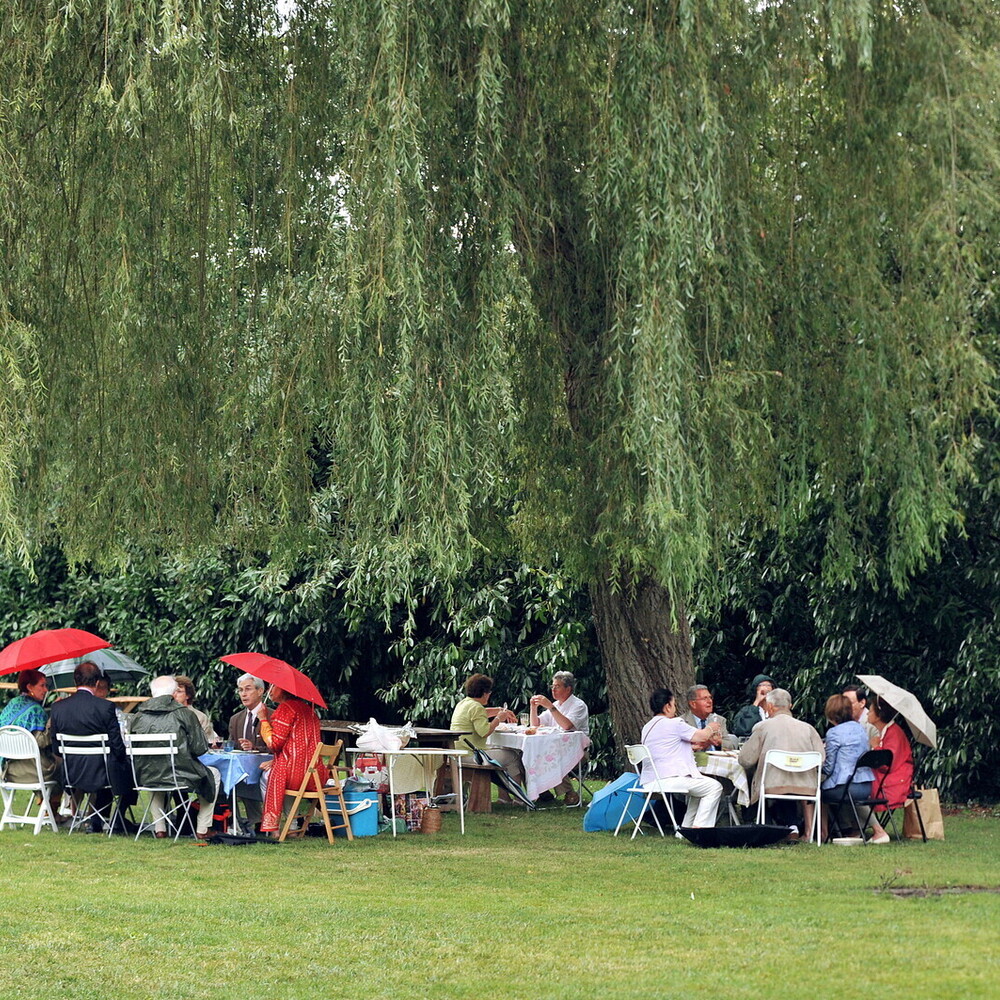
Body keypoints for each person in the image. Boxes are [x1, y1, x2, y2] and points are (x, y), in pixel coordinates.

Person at [130, 675, 221, 839]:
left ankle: (160, 828)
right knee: (214, 774)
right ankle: (202, 828)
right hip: (180, 774)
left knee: (155, 774)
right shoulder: (185, 714)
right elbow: (200, 748)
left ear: (153, 693)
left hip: (145, 775)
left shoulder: (137, 716)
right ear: (173, 694)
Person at [49, 659, 133, 832]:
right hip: (102, 774)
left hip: (71, 774)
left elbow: (56, 748)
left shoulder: (58, 708)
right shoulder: (105, 706)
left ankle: (97, 818)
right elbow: (117, 745)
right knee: (128, 767)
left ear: (75, 681)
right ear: (96, 683)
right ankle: (115, 818)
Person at [738, 688, 824, 837]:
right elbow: (820, 758)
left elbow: (745, 760)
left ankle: (762, 825)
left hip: (771, 785)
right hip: (806, 786)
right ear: (790, 705)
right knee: (786, 783)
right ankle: (793, 827)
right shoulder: (808, 728)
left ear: (770, 706)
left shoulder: (762, 727)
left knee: (757, 778)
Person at [638, 687, 722, 828]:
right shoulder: (674, 723)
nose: (675, 709)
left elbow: (665, 747)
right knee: (715, 787)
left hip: (651, 780)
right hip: (669, 778)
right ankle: (700, 828)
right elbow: (701, 736)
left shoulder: (647, 727)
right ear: (667, 706)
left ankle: (685, 829)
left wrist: (693, 747)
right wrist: (711, 727)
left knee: (699, 790)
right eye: (674, 704)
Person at [257, 684, 326, 835]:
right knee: (281, 777)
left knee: (267, 777)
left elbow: (275, 744)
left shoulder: (285, 709)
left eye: (272, 687)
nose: (269, 691)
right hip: (314, 774)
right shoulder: (309, 710)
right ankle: (292, 826)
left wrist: (263, 720)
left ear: (283, 689)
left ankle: (274, 828)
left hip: (296, 774)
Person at [450, 673, 521, 798]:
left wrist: (500, 710)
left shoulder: (463, 703)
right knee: (514, 756)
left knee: (502, 753)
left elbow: (481, 713)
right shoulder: (476, 707)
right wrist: (498, 718)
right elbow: (484, 732)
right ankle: (517, 798)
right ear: (484, 693)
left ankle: (504, 798)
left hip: (458, 753)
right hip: (472, 755)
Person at [529, 670, 589, 804]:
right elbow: (535, 725)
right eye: (552, 686)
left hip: (578, 751)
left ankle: (569, 793)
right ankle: (543, 793)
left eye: (557, 686)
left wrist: (550, 707)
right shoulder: (556, 706)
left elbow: (567, 725)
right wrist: (533, 707)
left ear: (568, 689)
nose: (553, 689)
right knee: (529, 754)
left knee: (550, 756)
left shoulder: (578, 705)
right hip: (554, 748)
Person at [820, 694, 874, 840]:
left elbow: (829, 768)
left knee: (818, 792)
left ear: (831, 713)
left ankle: (823, 834)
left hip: (847, 788)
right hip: (866, 786)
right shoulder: (860, 728)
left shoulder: (833, 733)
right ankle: (849, 829)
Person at [0, 669, 62, 794]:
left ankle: (45, 800)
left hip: (9, 771)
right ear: (29, 687)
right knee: (66, 765)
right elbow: (41, 742)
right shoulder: (36, 710)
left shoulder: (12, 703)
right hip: (36, 771)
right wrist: (55, 714)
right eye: (42, 685)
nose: (46, 690)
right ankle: (52, 804)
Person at [866, 693, 915, 844]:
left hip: (894, 781)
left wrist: (875, 747)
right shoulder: (887, 731)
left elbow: (886, 763)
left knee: (858, 785)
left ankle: (868, 828)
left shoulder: (894, 733)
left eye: (871, 710)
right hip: (891, 777)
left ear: (879, 715)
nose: (867, 713)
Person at [227, 673, 268, 832]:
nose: (243, 694)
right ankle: (234, 822)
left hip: (264, 767)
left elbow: (277, 747)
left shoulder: (272, 716)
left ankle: (259, 822)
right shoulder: (235, 719)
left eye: (248, 689)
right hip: (241, 770)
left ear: (260, 691)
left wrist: (255, 747)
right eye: (240, 690)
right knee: (225, 780)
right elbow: (232, 745)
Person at [681, 684, 737, 750]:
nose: (710, 701)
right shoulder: (682, 722)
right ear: (693, 704)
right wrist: (704, 741)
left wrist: (719, 742)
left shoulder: (719, 720)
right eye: (705, 698)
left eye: (710, 697)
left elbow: (732, 747)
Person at [174, 675, 219, 743]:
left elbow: (208, 742)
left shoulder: (200, 717)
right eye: (173, 691)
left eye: (179, 691)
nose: (174, 695)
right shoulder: (165, 715)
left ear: (188, 695)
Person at [731, 673, 776, 737]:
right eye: (762, 685)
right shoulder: (747, 710)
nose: (766, 688)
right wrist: (757, 702)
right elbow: (743, 730)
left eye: (769, 685)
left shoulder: (777, 710)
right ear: (756, 689)